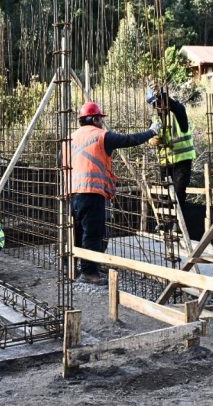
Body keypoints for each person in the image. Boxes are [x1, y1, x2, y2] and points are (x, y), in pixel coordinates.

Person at [68, 101, 161, 284]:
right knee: (93, 234)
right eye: (100, 118)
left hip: (72, 193)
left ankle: (78, 266)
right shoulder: (102, 136)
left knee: (78, 232)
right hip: (92, 191)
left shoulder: (70, 138)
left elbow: (62, 160)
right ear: (94, 119)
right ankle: (89, 273)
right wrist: (152, 131)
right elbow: (129, 140)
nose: (102, 122)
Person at [147, 88, 195, 212]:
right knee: (166, 194)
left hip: (181, 160)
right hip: (165, 162)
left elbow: (177, 107)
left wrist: (163, 96)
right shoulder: (155, 118)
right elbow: (149, 133)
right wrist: (151, 140)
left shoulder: (177, 113)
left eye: (158, 103)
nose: (156, 107)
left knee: (178, 194)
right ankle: (167, 222)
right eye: (154, 105)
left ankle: (179, 224)